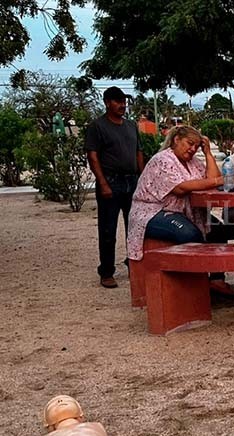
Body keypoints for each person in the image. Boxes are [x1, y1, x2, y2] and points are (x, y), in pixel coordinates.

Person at [126, 125, 234, 298]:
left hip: (183, 212)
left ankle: (216, 280)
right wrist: (220, 179)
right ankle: (195, 286)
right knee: (190, 235)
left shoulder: (193, 162)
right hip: (153, 212)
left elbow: (212, 180)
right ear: (176, 140)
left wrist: (207, 153)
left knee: (218, 231)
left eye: (196, 146)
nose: (192, 149)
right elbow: (180, 188)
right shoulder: (162, 160)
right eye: (189, 143)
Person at [85, 86, 145, 289]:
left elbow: (138, 152)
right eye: (118, 101)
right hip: (110, 181)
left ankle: (134, 265)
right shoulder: (97, 126)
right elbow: (92, 156)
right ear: (107, 103)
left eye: (124, 101)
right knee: (108, 229)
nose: (122, 105)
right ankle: (107, 272)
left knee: (135, 227)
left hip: (132, 181)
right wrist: (102, 183)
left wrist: (143, 178)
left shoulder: (131, 126)